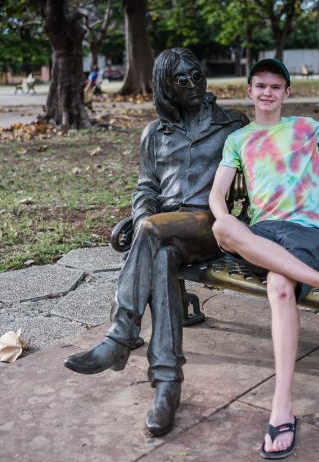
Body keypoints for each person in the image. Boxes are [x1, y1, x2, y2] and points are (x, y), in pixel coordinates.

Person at [63, 47, 247, 437]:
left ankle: (122, 334)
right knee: (160, 256)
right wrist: (145, 213)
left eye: (197, 74)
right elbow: (146, 186)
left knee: (149, 231)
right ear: (166, 87)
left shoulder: (231, 125)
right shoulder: (154, 135)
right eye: (181, 80)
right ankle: (167, 385)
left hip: (211, 225)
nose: (193, 84)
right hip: (166, 229)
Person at [208, 59, 319, 459]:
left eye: (275, 87)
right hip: (261, 231)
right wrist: (225, 216)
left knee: (280, 285)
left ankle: (281, 408)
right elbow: (217, 195)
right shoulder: (238, 139)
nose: (267, 93)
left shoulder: (305, 127)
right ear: (249, 90)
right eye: (260, 86)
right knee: (222, 228)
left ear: (287, 93)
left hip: (304, 229)